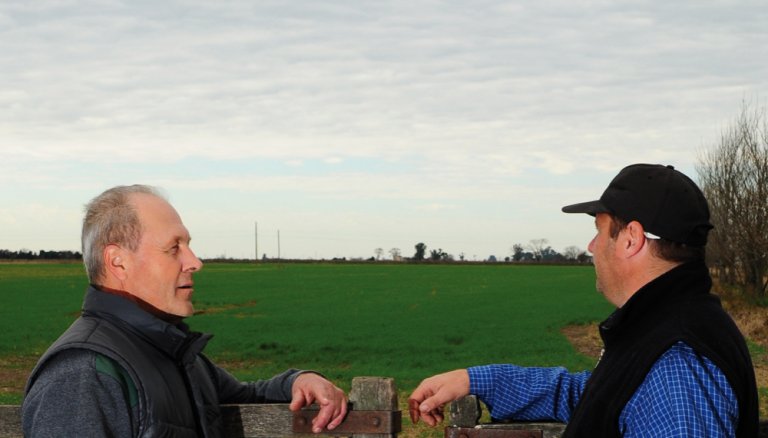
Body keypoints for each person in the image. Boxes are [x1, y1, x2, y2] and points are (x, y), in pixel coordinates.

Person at [408, 164, 758, 437]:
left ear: (631, 239)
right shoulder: (661, 329)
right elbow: (592, 396)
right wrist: (477, 380)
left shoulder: (675, 364)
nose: (591, 247)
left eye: (599, 231)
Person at [22, 185, 348, 437]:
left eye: (188, 245)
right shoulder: (84, 373)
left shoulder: (174, 354)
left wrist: (297, 381)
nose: (194, 262)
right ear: (118, 261)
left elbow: (244, 397)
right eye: (173, 248)